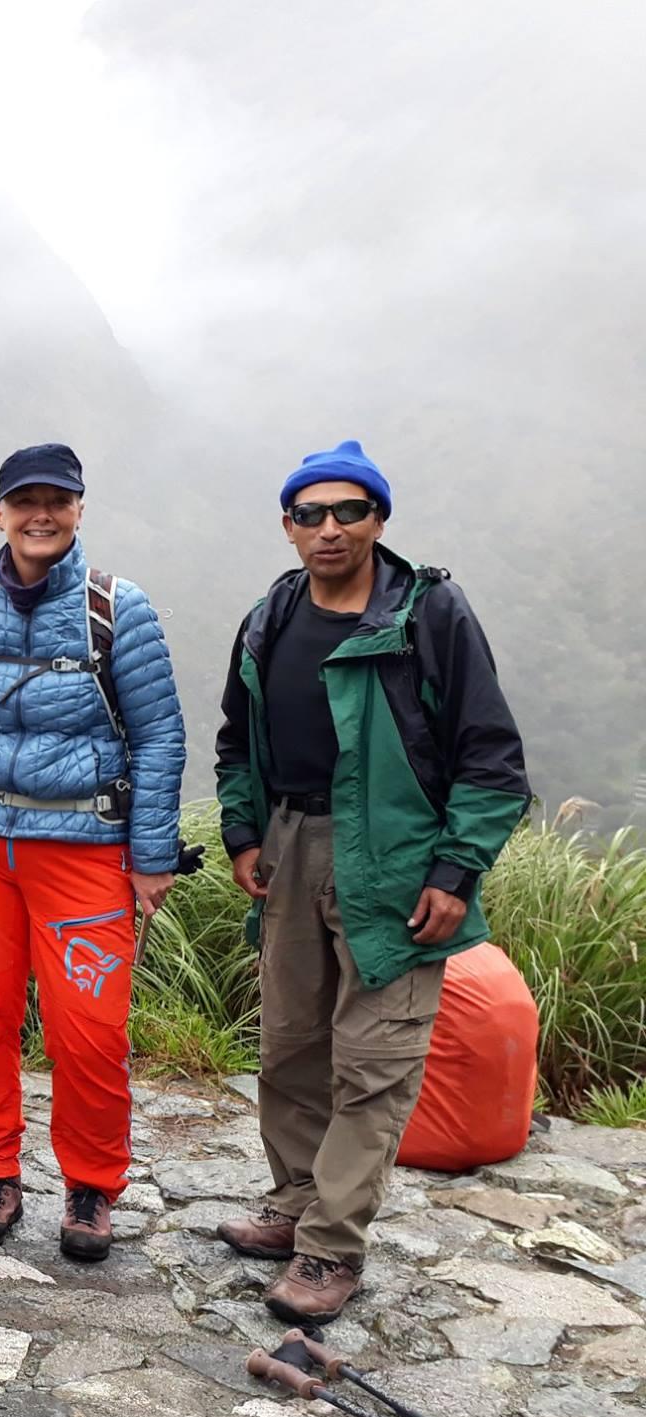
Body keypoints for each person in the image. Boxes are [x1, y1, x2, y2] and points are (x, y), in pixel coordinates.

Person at [214, 440, 528, 1324]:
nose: (329, 529)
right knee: (290, 1044)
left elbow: (491, 758)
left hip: (394, 861)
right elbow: (237, 740)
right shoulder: (270, 616)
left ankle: (331, 1246)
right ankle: (293, 1202)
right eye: (309, 514)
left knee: (374, 1061)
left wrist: (456, 870)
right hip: (290, 844)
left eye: (350, 510)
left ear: (379, 519)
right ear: (288, 526)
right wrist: (243, 831)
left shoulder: (430, 616)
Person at [0, 444, 187, 1261]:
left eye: (58, 500)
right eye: (24, 500)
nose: (40, 514)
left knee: (88, 1030)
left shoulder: (120, 609)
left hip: (83, 850)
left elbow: (159, 735)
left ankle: (90, 1185)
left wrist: (151, 856)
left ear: (79, 510)